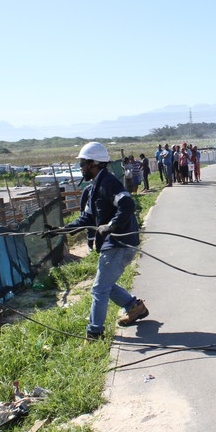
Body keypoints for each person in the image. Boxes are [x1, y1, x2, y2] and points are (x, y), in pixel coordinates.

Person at [57, 141, 149, 338]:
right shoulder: (95, 187)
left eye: (82, 163)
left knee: (99, 289)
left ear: (94, 164)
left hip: (119, 243)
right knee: (105, 284)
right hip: (112, 244)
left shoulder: (108, 183)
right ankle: (134, 307)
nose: (80, 167)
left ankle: (94, 333)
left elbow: (127, 204)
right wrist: (62, 230)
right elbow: (87, 217)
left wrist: (112, 225)